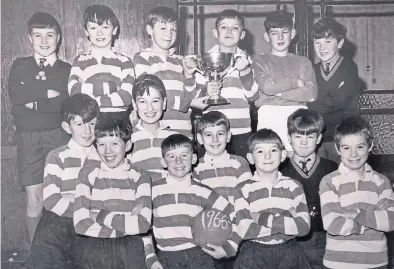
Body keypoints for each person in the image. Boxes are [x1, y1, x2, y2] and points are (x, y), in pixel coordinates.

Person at [8, 11, 71, 243]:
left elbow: (65, 102)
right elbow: (17, 96)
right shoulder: (20, 65)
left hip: (60, 137)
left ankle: (63, 253)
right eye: (38, 35)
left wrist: (34, 101)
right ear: (29, 39)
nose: (44, 41)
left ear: (59, 38)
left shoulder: (67, 69)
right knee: (34, 199)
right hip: (29, 138)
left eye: (50, 35)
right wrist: (47, 94)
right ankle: (37, 257)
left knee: (62, 197)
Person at [26, 94, 99, 269]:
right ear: (67, 127)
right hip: (65, 226)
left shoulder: (104, 155)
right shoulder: (57, 156)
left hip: (95, 225)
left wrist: (71, 196)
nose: (87, 131)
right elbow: (51, 201)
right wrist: (87, 208)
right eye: (80, 124)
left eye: (92, 123)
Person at [150, 134, 241, 269]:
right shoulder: (152, 190)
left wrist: (230, 247)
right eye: (171, 156)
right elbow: (143, 227)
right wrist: (150, 258)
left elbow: (238, 216)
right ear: (163, 162)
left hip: (199, 258)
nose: (178, 161)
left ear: (193, 159)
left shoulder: (202, 191)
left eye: (184, 156)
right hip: (165, 258)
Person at [72, 119, 152, 269]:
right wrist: (126, 223)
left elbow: (142, 225)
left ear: (127, 145)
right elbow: (80, 224)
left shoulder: (140, 176)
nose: (108, 151)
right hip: (94, 248)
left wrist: (101, 216)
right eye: (102, 144)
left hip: (130, 248)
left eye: (115, 144)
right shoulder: (88, 174)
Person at [319, 116, 394, 269]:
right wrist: (374, 219)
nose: (353, 154)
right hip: (338, 262)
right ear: (337, 149)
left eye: (360, 147)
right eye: (346, 148)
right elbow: (332, 224)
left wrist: (355, 214)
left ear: (370, 145)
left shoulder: (382, 181)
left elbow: (390, 222)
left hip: (376, 262)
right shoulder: (329, 181)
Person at [234, 129, 312, 269]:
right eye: (260, 151)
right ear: (250, 158)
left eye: (273, 150)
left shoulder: (294, 186)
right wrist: (288, 221)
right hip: (254, 253)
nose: (267, 156)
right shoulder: (242, 189)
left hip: (289, 252)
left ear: (283, 155)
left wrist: (262, 218)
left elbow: (304, 228)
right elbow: (245, 231)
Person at [193, 9, 259, 158]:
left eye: (235, 28)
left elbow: (254, 96)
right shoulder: (203, 61)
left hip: (241, 131)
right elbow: (197, 103)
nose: (229, 31)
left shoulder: (249, 61)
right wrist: (206, 92)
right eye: (224, 27)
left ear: (242, 35)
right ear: (215, 33)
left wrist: (245, 72)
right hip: (212, 133)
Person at [133, 6, 205, 138]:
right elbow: (149, 95)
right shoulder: (142, 58)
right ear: (150, 29)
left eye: (173, 29)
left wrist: (189, 75)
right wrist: (188, 103)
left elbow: (192, 95)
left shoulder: (181, 60)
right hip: (155, 130)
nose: (169, 34)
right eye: (163, 28)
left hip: (183, 128)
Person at [253, 10, 317, 155]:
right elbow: (267, 87)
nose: (280, 37)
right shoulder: (259, 61)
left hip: (298, 115)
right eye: (274, 33)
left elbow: (311, 94)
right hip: (269, 115)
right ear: (266, 36)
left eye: (285, 32)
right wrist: (296, 82)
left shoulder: (303, 62)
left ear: (293, 33)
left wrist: (277, 92)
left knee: (297, 159)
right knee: (270, 159)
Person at [193, 111, 252, 268]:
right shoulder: (196, 168)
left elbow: (247, 203)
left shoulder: (240, 163)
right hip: (209, 237)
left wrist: (235, 238)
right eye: (208, 135)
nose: (215, 140)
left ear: (228, 136)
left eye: (220, 133)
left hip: (239, 233)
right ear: (199, 138)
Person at [280, 108, 338, 269]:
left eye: (310, 136)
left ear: (319, 138)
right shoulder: (280, 170)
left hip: (324, 239)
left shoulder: (332, 168)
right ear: (289, 139)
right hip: (291, 240)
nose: (304, 142)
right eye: (298, 136)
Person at [68, 4, 135, 123]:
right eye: (93, 28)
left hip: (118, 122)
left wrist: (90, 99)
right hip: (90, 122)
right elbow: (74, 91)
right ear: (86, 32)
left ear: (114, 30)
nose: (99, 33)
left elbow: (126, 97)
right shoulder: (80, 61)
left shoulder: (125, 62)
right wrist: (111, 87)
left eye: (105, 27)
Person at [308, 18, 362, 164]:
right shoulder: (312, 70)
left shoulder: (349, 67)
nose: (322, 48)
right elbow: (312, 101)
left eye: (327, 41)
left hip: (343, 137)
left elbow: (339, 100)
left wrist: (315, 100)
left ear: (340, 43)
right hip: (319, 138)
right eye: (317, 43)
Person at [127, 73, 177, 183]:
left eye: (155, 101)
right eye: (143, 101)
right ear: (134, 105)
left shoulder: (174, 138)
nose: (150, 108)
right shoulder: (128, 138)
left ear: (164, 103)